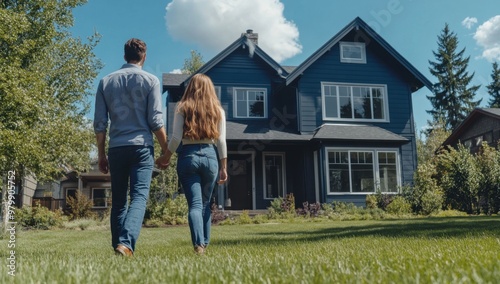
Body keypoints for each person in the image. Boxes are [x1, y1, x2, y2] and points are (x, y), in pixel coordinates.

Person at [93, 38, 169, 257]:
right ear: (144, 56)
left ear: (124, 56)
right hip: (142, 148)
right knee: (138, 197)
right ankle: (125, 244)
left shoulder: (105, 81)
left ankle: (119, 246)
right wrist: (166, 150)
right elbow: (155, 120)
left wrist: (101, 154)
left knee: (118, 201)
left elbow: (100, 123)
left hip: (116, 148)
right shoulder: (151, 81)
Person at [157, 73, 227, 254]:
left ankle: (199, 245)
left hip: (188, 156)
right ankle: (204, 243)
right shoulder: (218, 111)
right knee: (205, 203)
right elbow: (222, 142)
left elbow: (175, 138)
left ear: (190, 88)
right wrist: (224, 167)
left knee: (195, 205)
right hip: (211, 157)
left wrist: (166, 157)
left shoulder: (182, 107)